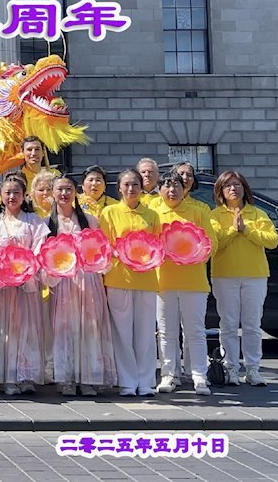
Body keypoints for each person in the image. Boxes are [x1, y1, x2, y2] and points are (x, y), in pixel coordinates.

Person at [43, 175, 114, 397]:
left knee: (89, 328)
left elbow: (101, 250)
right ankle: (66, 378)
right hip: (62, 282)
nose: (64, 194)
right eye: (60, 189)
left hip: (87, 279)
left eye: (68, 189)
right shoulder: (47, 223)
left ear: (76, 192)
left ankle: (89, 377)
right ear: (52, 193)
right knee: (65, 329)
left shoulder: (90, 220)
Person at [148, 171, 216, 396]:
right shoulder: (154, 213)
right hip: (163, 281)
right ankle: (169, 374)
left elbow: (212, 243)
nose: (172, 190)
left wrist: (196, 253)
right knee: (166, 332)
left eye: (176, 185)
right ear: (159, 190)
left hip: (193, 282)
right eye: (167, 186)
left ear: (184, 188)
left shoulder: (198, 212)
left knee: (195, 331)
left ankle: (199, 375)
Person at [210, 170, 278, 387]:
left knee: (252, 324)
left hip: (255, 275)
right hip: (224, 275)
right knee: (228, 324)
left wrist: (246, 229)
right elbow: (214, 242)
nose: (233, 189)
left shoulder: (257, 213)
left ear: (244, 188)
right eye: (228, 185)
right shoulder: (214, 215)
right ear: (221, 190)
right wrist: (233, 230)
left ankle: (252, 369)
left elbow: (272, 240)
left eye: (237, 184)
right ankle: (230, 368)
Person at [99, 169, 161, 397]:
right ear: (119, 188)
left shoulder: (152, 215)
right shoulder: (110, 212)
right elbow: (104, 245)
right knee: (122, 333)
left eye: (135, 184)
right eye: (126, 184)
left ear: (141, 187)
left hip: (146, 279)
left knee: (145, 334)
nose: (131, 189)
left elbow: (158, 245)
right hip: (119, 278)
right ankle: (127, 381)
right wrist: (121, 253)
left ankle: (145, 381)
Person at [0, 176, 48, 395]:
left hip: (27, 282)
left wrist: (27, 267)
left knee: (27, 328)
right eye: (8, 193)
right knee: (6, 328)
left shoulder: (34, 220)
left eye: (16, 193)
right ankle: (8, 377)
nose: (12, 197)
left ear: (24, 196)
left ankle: (27, 376)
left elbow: (40, 248)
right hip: (4, 284)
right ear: (0, 196)